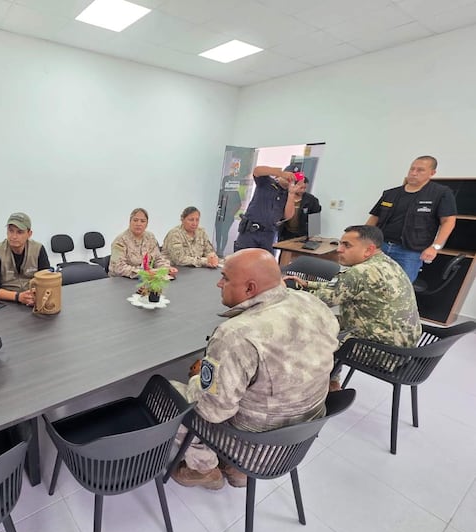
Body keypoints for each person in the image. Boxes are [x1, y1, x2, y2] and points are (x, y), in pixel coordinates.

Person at [170, 249, 339, 490]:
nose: (219, 283)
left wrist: (198, 378)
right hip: (300, 435)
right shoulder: (313, 303)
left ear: (250, 289)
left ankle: (203, 468)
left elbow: (212, 412)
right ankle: (237, 471)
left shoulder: (236, 334)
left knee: (170, 394)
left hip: (255, 444)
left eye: (225, 278)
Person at [288, 225, 422, 390]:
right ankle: (332, 383)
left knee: (310, 334)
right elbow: (339, 288)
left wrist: (281, 291)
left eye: (347, 245)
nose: (339, 250)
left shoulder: (360, 272)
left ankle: (306, 391)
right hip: (404, 348)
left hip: (382, 353)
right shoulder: (387, 263)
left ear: (368, 250)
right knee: (325, 323)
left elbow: (317, 302)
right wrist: (308, 284)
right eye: (340, 244)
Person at [367, 155, 457, 282]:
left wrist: (435, 247)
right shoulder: (391, 194)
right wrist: (364, 240)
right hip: (380, 246)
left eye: (420, 170)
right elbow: (374, 218)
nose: (414, 173)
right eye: (412, 169)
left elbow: (448, 221)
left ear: (432, 173)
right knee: (368, 281)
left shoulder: (440, 193)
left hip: (409, 253)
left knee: (400, 289)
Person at [234, 163, 309, 253]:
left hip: (268, 234)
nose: (289, 180)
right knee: (241, 260)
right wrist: (280, 173)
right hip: (250, 232)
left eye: (294, 179)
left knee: (265, 264)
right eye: (289, 176)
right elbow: (257, 171)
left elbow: (288, 216)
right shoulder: (267, 182)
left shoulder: (289, 194)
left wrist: (291, 194)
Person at [0, 212, 51, 306]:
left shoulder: (38, 249)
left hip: (31, 300)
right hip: (4, 302)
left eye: (20, 232)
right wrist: (18, 297)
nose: (14, 236)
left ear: (29, 234)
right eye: (11, 231)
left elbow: (46, 280)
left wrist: (36, 295)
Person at [109, 208, 178, 278]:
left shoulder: (150, 237)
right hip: (121, 280)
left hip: (146, 278)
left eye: (142, 221)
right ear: (130, 222)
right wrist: (144, 273)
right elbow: (118, 268)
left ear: (146, 224)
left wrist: (166, 268)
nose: (138, 224)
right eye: (135, 220)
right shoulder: (120, 241)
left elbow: (158, 258)